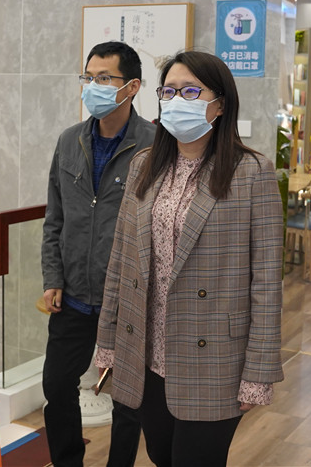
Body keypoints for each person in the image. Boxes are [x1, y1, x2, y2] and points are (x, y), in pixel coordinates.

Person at [95, 51, 285, 467]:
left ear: (221, 103)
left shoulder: (252, 172)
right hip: (147, 352)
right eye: (168, 92)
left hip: (214, 356)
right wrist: (107, 343)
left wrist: (258, 370)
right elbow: (121, 262)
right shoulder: (144, 165)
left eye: (191, 91)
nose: (177, 100)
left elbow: (267, 282)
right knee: (161, 455)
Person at [41, 41, 155, 467]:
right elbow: (55, 216)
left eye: (104, 78)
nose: (93, 86)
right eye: (88, 77)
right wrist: (52, 277)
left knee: (127, 398)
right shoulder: (69, 141)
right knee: (57, 385)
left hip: (127, 298)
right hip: (72, 294)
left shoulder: (155, 146)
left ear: (132, 87)